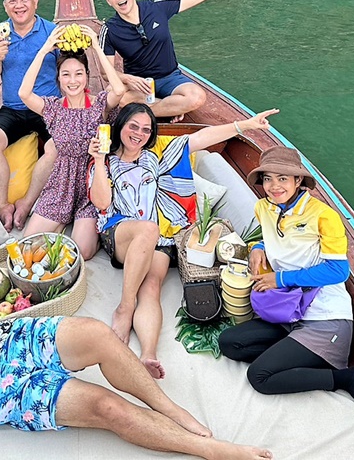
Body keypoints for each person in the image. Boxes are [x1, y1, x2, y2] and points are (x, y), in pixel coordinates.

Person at [0, 295, 273, 460]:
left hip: (9, 340)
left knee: (97, 333)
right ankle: (211, 450)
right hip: (4, 394)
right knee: (106, 407)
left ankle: (170, 407)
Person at [89, 105, 279, 378]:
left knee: (152, 286)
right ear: (120, 125)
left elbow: (202, 138)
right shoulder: (104, 158)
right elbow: (102, 202)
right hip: (120, 232)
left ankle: (148, 354)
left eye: (146, 129)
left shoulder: (160, 153)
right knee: (146, 230)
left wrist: (246, 125)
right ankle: (125, 306)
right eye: (133, 126)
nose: (139, 134)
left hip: (162, 235)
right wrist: (97, 161)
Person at [218, 146, 354, 422]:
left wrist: (279, 279)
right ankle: (291, 350)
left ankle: (345, 378)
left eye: (283, 178)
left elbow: (338, 270)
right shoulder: (263, 208)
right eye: (268, 178)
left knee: (260, 376)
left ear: (298, 181)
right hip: (289, 313)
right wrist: (257, 246)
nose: (274, 186)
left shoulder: (323, 216)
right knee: (230, 343)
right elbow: (271, 236)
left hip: (324, 319)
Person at [98, 0, 252, 121]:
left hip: (170, 78)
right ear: (108, 1)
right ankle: (169, 107)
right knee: (112, 95)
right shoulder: (110, 30)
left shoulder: (158, 6)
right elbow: (106, 72)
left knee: (196, 97)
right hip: (138, 85)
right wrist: (129, 79)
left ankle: (152, 109)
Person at [17, 23, 126, 259]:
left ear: (87, 78)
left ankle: (73, 227)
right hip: (61, 185)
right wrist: (45, 49)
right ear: (58, 79)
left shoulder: (99, 104)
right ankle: (59, 223)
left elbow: (118, 89)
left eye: (79, 74)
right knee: (28, 245)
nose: (72, 80)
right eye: (66, 75)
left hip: (92, 185)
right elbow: (24, 94)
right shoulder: (53, 108)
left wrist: (96, 46)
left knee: (83, 251)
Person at [0, 0, 59, 231]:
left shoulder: (51, 31)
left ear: (35, 2)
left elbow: (68, 70)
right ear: (5, 7)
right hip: (13, 107)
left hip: (46, 106)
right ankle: (3, 205)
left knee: (58, 146)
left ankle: (26, 203)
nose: (19, 6)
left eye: (25, 0)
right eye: (13, 2)